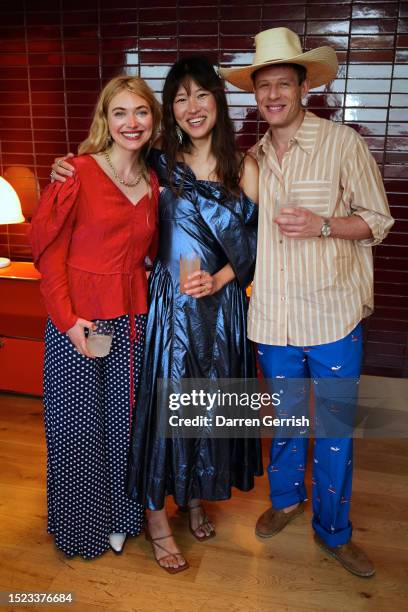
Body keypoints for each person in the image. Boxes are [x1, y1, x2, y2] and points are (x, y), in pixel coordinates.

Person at [50, 56, 262, 574]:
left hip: (220, 305)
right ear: (171, 109)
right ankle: (157, 520)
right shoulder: (160, 162)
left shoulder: (245, 166)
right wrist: (67, 166)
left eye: (202, 95)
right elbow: (111, 171)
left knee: (207, 409)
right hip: (165, 304)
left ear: (218, 101)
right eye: (181, 97)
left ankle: (193, 497)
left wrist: (220, 280)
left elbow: (254, 245)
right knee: (159, 413)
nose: (192, 107)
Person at [220, 27, 394, 578]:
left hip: (332, 313)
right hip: (272, 317)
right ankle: (287, 500)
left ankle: (334, 532)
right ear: (255, 92)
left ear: (302, 88)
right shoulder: (251, 159)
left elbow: (378, 220)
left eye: (282, 85)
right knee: (288, 420)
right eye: (263, 86)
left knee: (335, 428)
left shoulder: (344, 144)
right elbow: (198, 177)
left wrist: (322, 224)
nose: (272, 95)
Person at [30, 75, 161, 558]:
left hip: (132, 321)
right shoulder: (78, 173)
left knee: (125, 424)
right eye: (121, 112)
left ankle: (121, 517)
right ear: (105, 119)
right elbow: (49, 255)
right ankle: (80, 527)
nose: (132, 122)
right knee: (78, 427)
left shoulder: (153, 180)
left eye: (141, 112)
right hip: (80, 321)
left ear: (153, 120)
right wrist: (68, 322)